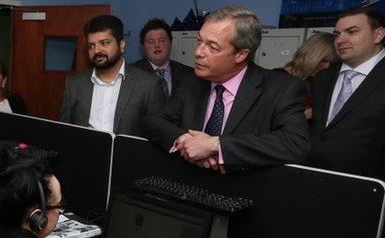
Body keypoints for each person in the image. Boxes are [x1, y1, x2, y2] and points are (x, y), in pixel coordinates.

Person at [142, 5, 309, 173]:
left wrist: (216, 145)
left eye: (212, 47)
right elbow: (155, 122)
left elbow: (295, 143)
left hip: (243, 190)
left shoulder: (281, 89)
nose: (198, 52)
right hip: (189, 183)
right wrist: (185, 140)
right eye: (199, 41)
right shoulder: (192, 82)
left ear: (241, 54)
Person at [306, 8, 385, 180]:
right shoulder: (323, 78)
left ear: (378, 35)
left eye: (352, 32)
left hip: (368, 186)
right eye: (337, 34)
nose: (341, 40)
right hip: (313, 177)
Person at [59, 15, 166, 137]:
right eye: (91, 46)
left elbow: (159, 135)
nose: (97, 51)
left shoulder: (149, 85)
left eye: (104, 43)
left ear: (121, 45)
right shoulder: (74, 84)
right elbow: (64, 132)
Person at [276, 32, 338, 119]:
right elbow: (265, 116)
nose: (327, 66)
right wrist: (301, 115)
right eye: (324, 60)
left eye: (332, 62)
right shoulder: (278, 77)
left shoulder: (319, 81)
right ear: (311, 55)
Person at [132, 18, 194, 99]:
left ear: (170, 43)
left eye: (161, 40)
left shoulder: (188, 74)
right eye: (151, 41)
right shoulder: (131, 74)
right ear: (143, 47)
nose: (157, 45)